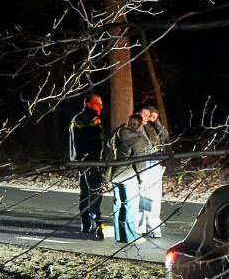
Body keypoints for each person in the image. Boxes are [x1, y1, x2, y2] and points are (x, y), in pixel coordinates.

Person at [68, 94, 106, 239]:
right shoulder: (91, 118)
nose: (100, 107)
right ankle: (96, 224)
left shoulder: (76, 118)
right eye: (99, 104)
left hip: (81, 162)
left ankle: (85, 223)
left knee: (84, 193)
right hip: (91, 161)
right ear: (90, 104)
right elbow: (95, 141)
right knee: (95, 192)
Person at [107, 114, 146, 244]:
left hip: (115, 174)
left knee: (118, 204)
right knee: (131, 205)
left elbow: (109, 146)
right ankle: (131, 236)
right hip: (129, 175)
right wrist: (141, 178)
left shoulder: (118, 133)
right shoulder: (138, 139)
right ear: (140, 125)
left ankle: (119, 235)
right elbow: (139, 161)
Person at [137, 103, 169, 237]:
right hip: (143, 162)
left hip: (156, 162)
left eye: (152, 116)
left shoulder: (153, 126)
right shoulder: (135, 125)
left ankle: (153, 225)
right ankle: (140, 226)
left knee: (154, 196)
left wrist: (156, 122)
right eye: (147, 114)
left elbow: (164, 137)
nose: (148, 117)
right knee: (143, 194)